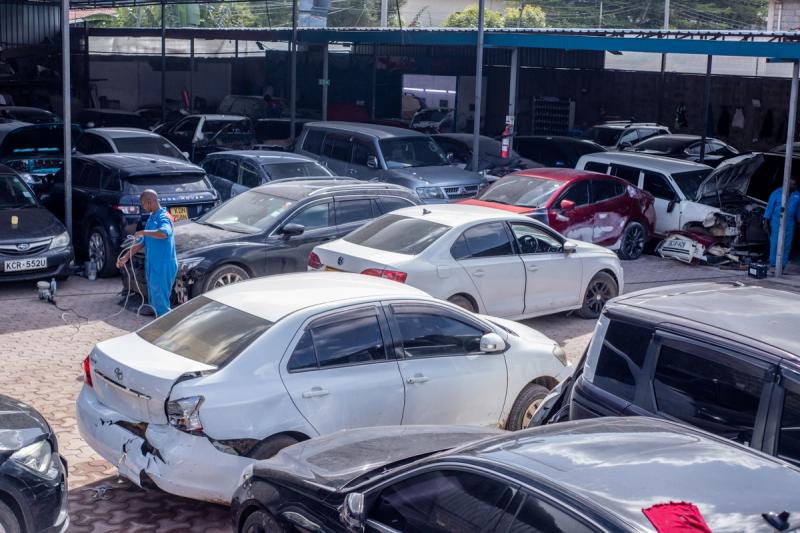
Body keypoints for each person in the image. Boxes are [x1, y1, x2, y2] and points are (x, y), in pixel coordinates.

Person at [116, 190, 178, 316]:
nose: (143, 207)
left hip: (163, 266)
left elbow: (164, 233)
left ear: (150, 202)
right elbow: (141, 243)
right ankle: (155, 314)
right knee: (154, 295)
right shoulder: (152, 217)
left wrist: (143, 232)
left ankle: (163, 325)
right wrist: (125, 257)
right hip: (153, 265)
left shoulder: (163, 217)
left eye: (143, 204)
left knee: (161, 300)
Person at [763, 177, 800, 271]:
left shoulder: (797, 195)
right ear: (786, 184)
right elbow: (769, 208)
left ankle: (782, 265)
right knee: (775, 243)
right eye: (791, 184)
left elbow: (798, 211)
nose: (794, 186)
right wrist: (766, 222)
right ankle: (773, 264)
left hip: (790, 223)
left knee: (787, 244)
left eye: (794, 184)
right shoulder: (776, 193)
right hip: (776, 221)